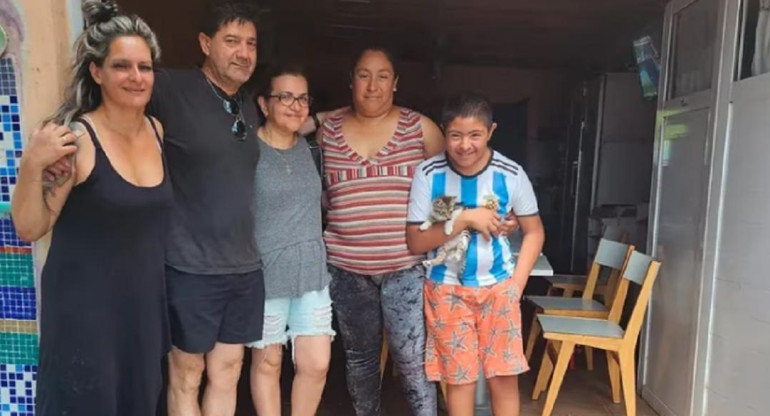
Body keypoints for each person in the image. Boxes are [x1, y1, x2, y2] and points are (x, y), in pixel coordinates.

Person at [11, 2, 171, 414]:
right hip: (85, 317)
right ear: (97, 72)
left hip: (141, 313)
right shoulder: (77, 140)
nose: (136, 77)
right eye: (122, 66)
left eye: (145, 67)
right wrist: (31, 163)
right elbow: (30, 226)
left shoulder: (156, 131)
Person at [146, 2, 264, 414]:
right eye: (231, 41)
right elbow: (113, 104)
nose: (243, 52)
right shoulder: (168, 89)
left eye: (250, 43)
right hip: (189, 266)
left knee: (228, 369)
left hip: (245, 266)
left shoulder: (250, 104)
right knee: (187, 373)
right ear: (204, 43)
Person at [316, 46, 444, 416]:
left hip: (405, 267)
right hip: (346, 269)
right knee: (360, 360)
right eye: (363, 75)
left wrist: (439, 249)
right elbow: (320, 194)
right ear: (351, 81)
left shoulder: (421, 129)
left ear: (396, 83)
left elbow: (445, 194)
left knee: (411, 359)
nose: (373, 86)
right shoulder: (327, 132)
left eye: (382, 76)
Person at [405, 91, 546, 416]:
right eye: (455, 135)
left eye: (475, 135)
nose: (464, 145)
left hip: (499, 290)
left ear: (491, 131)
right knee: (460, 380)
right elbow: (415, 241)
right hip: (446, 291)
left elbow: (535, 231)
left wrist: (517, 285)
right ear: (443, 132)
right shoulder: (428, 174)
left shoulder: (510, 174)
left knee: (503, 378)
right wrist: (465, 219)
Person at [247, 65, 334, 416]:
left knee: (316, 364)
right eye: (285, 97)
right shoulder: (246, 150)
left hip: (311, 271)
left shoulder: (312, 147)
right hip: (264, 272)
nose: (295, 106)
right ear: (264, 104)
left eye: (302, 98)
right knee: (268, 362)